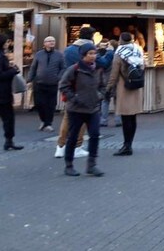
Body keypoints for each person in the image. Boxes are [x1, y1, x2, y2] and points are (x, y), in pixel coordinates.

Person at [59, 46, 105, 177]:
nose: (93, 56)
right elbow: (63, 85)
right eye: (90, 53)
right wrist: (74, 98)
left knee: (95, 135)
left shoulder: (98, 69)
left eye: (94, 53)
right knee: (73, 136)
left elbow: (102, 85)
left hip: (93, 108)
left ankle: (92, 164)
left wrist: (100, 95)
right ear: (83, 55)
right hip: (76, 109)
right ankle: (69, 164)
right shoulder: (74, 69)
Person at [56, 27, 96, 158]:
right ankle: (77, 147)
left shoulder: (68, 50)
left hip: (70, 88)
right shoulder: (89, 50)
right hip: (83, 88)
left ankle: (60, 146)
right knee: (83, 120)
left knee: (68, 118)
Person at [108, 32, 144, 156]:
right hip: (136, 87)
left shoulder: (119, 53)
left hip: (124, 87)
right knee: (133, 117)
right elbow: (142, 66)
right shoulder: (137, 50)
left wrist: (108, 88)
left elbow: (114, 73)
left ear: (121, 40)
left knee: (125, 117)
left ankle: (126, 145)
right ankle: (129, 144)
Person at [26, 36, 66, 132]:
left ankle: (48, 123)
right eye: (49, 41)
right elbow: (33, 68)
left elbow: (63, 68)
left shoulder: (59, 55)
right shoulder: (39, 54)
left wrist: (58, 77)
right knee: (39, 103)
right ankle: (43, 120)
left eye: (53, 41)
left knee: (51, 105)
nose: (52, 42)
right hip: (39, 83)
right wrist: (29, 80)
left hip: (52, 83)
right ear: (45, 43)